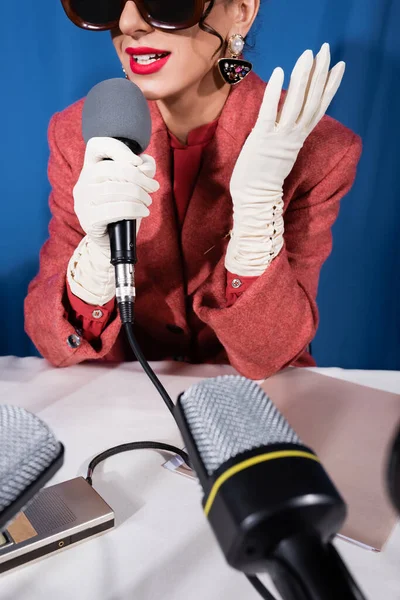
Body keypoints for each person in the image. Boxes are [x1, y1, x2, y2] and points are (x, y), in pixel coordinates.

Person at [24, 0, 362, 379]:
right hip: (123, 397)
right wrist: (96, 262)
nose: (128, 22)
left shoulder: (320, 148)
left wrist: (256, 219)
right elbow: (50, 340)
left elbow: (274, 352)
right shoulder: (77, 134)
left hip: (253, 395)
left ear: (241, 11)